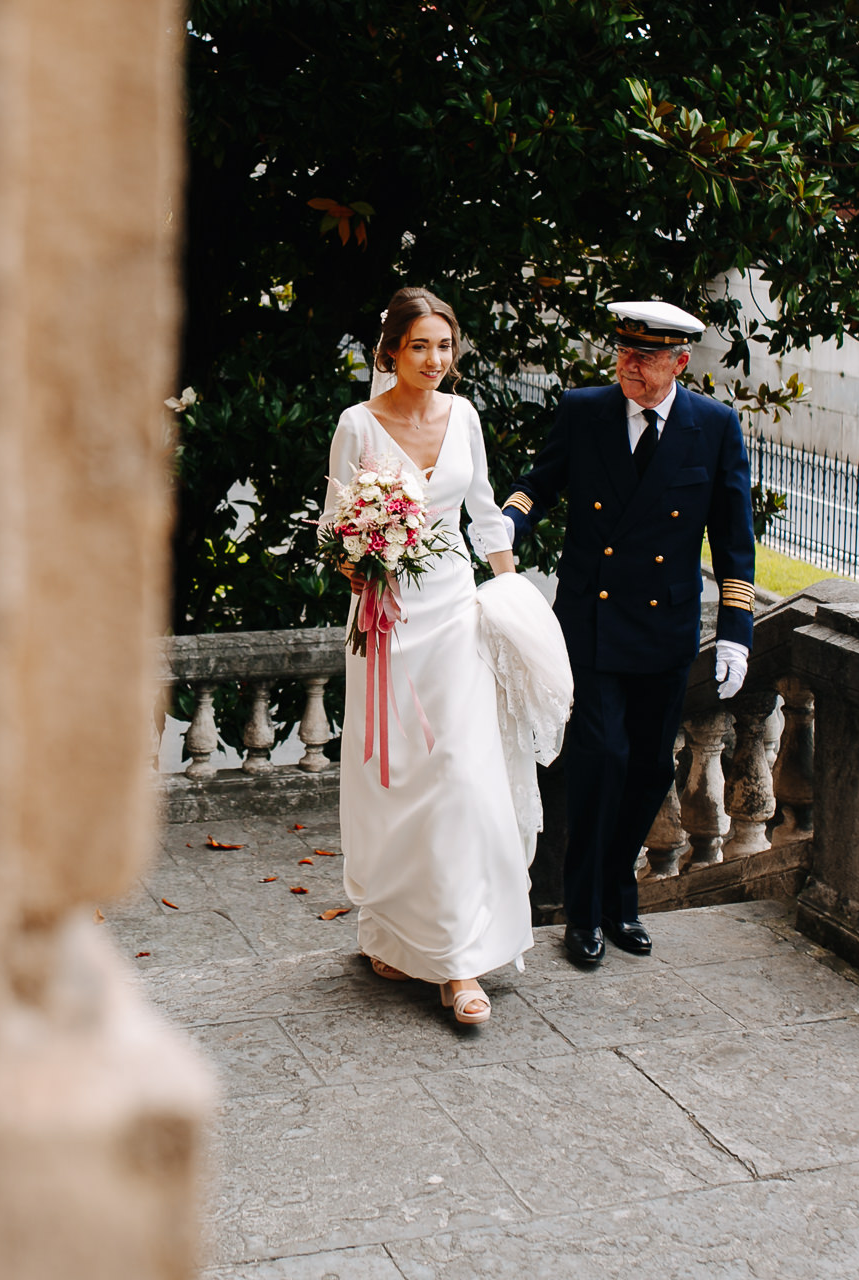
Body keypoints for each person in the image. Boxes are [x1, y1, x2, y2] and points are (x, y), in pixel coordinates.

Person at [500, 300, 755, 968]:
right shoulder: (585, 411)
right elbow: (537, 485)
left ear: (679, 363)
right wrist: (510, 521)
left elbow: (734, 537)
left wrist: (736, 628)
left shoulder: (715, 427)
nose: (628, 368)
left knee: (648, 767)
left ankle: (619, 896)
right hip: (592, 618)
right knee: (600, 758)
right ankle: (584, 911)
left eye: (643, 359)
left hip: (665, 624)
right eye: (622, 354)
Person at [327, 287, 535, 1025]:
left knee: (458, 773)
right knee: (394, 776)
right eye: (420, 346)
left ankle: (460, 964)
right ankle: (392, 931)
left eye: (445, 346)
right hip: (386, 622)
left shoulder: (466, 416)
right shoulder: (358, 426)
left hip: (454, 615)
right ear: (390, 351)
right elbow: (334, 524)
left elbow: (483, 511)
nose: (435, 361)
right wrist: (355, 562)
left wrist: (511, 595)